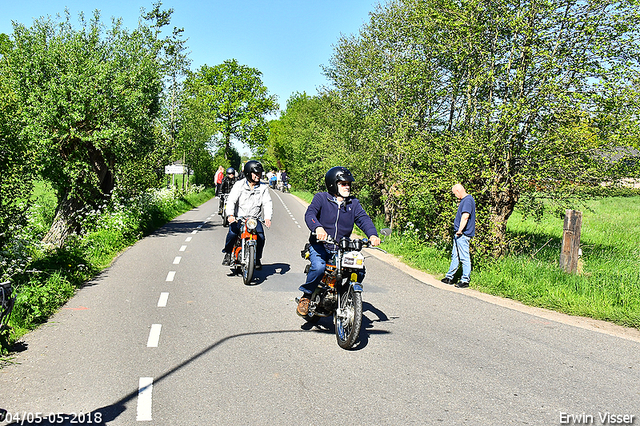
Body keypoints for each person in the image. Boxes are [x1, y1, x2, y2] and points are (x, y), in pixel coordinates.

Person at [297, 166, 381, 316]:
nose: (347, 186)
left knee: (359, 270)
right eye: (343, 183)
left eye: (348, 183)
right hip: (320, 245)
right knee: (319, 267)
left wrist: (372, 235)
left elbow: (363, 219)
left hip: (341, 248)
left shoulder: (353, 203)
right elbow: (310, 213)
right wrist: (317, 228)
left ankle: (346, 296)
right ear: (333, 184)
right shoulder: (321, 198)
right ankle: (307, 296)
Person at [222, 160, 272, 270]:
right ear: (249, 173)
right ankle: (228, 253)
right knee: (232, 233)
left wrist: (268, 217)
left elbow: (267, 202)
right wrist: (230, 215)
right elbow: (231, 200)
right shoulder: (239, 185)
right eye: (256, 173)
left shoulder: (263, 187)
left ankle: (257, 258)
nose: (259, 175)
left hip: (254, 219)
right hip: (240, 218)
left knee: (261, 237)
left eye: (260, 173)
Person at [441, 183, 476, 288]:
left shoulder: (468, 201)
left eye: (454, 194)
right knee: (455, 256)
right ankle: (449, 277)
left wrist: (460, 230)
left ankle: (465, 280)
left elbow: (465, 216)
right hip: (459, 234)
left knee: (464, 257)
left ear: (458, 191)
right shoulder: (465, 200)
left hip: (463, 234)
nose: (455, 196)